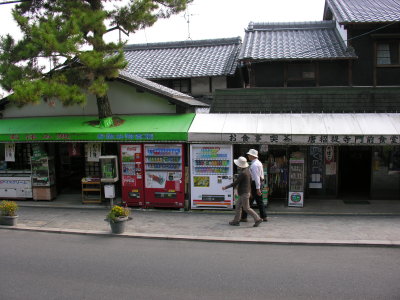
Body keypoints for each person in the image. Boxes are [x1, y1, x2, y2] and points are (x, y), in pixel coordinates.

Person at [222, 156, 263, 227]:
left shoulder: (243, 173)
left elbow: (235, 183)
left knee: (246, 208)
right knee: (238, 206)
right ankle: (236, 221)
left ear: (240, 165)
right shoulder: (248, 171)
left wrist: (226, 187)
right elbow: (250, 182)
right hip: (245, 192)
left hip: (244, 193)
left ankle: (257, 219)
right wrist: (250, 192)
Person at [241, 149, 267, 222]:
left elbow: (256, 177)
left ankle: (244, 217)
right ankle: (263, 216)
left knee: (248, 201)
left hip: (254, 184)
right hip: (258, 183)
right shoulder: (258, 163)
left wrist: (257, 188)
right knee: (259, 201)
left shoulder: (254, 165)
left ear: (252, 156)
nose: (248, 156)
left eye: (249, 155)